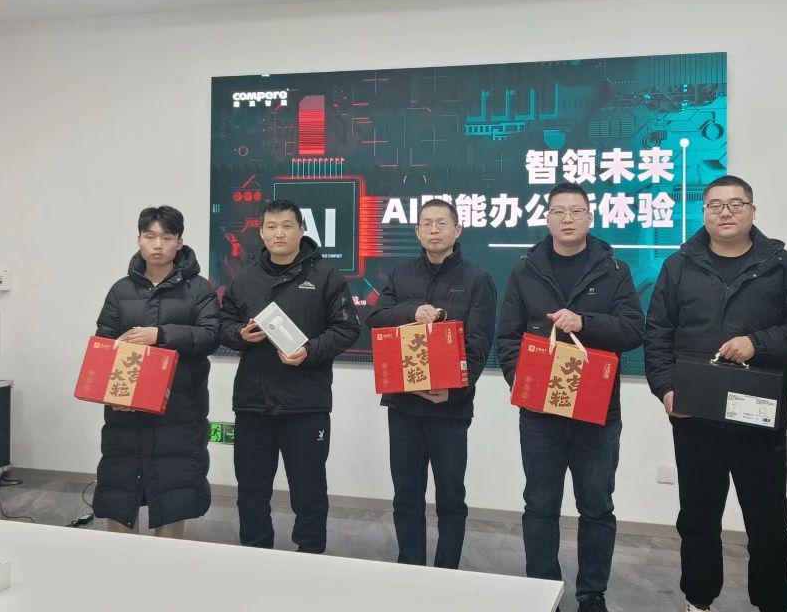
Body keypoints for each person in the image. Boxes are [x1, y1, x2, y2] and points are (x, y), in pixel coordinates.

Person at [644, 175, 787, 612]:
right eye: (715, 205)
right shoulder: (678, 266)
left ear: (752, 211)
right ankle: (698, 600)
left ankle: (772, 602)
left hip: (757, 417)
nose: (725, 212)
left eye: (735, 204)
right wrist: (666, 389)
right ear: (704, 212)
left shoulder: (783, 265)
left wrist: (757, 343)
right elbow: (657, 334)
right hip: (695, 417)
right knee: (697, 519)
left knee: (767, 523)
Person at [497, 182, 645, 612]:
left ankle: (591, 593)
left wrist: (585, 322)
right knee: (539, 505)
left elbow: (633, 330)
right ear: (546, 218)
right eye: (558, 211)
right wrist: (522, 381)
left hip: (597, 413)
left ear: (590, 218)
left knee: (596, 507)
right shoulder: (525, 270)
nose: (567, 219)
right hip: (540, 413)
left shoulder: (614, 270)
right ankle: (542, 589)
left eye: (576, 211)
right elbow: (507, 337)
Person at [219, 198, 361, 553]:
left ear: (301, 230)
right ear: (261, 233)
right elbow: (222, 324)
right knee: (251, 492)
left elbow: (347, 329)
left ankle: (310, 558)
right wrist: (239, 334)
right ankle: (256, 554)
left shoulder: (326, 276)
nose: (278, 233)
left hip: (306, 404)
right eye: (271, 227)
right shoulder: (245, 278)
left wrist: (310, 350)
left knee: (309, 492)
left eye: (286, 226)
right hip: (253, 403)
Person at [365, 198, 497, 568]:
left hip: (450, 409)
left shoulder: (477, 280)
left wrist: (453, 390)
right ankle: (410, 568)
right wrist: (412, 311)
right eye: (427, 223)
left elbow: (479, 346)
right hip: (403, 406)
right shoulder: (402, 274)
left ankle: (447, 571)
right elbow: (375, 318)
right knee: (406, 495)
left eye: (442, 223)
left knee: (451, 497)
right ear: (417, 231)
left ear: (458, 230)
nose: (434, 230)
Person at [93, 205, 220, 538]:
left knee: (174, 496)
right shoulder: (121, 291)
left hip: (179, 412)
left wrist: (160, 334)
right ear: (139, 239)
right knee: (119, 493)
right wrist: (112, 393)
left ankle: (167, 565)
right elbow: (104, 346)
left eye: (166, 237)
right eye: (150, 236)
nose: (158, 244)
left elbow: (210, 336)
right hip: (125, 415)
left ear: (179, 242)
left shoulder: (199, 289)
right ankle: (120, 564)